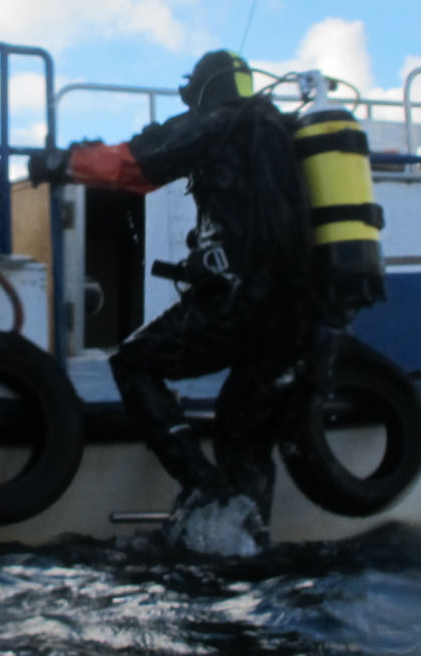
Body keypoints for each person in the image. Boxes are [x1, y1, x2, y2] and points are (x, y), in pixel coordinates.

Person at [29, 49, 317, 549]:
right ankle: (246, 538)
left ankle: (202, 484)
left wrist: (63, 163)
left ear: (204, 88)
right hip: (292, 312)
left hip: (239, 302)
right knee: (241, 429)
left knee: (135, 362)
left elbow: (138, 164)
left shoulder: (217, 123)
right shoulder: (278, 133)